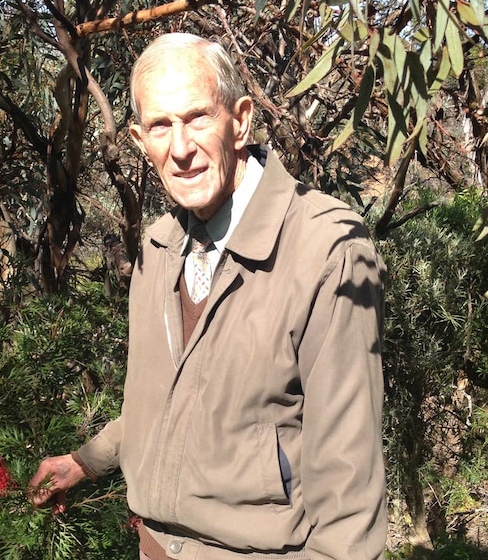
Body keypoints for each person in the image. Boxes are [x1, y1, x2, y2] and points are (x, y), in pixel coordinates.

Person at [29, 32, 387, 560]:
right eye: (159, 126)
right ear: (137, 139)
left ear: (240, 120)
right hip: (153, 547)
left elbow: (348, 472)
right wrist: (86, 459)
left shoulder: (325, 249)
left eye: (198, 117)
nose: (180, 150)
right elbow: (167, 402)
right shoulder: (159, 246)